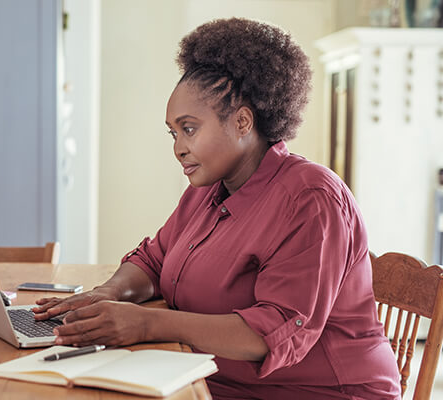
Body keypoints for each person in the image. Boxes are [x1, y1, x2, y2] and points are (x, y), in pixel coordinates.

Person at [33, 17, 401, 400]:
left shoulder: (311, 199)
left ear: (242, 121)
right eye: (173, 132)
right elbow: (153, 260)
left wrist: (145, 323)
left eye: (189, 129)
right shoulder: (208, 189)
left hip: (324, 392)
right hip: (212, 381)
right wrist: (109, 293)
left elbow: (271, 330)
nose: (177, 147)